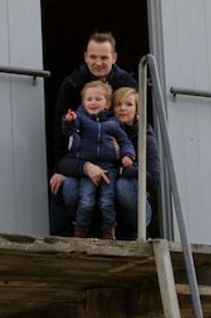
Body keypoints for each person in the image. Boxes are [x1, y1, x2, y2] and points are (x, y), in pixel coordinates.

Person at [52, 86, 160, 240]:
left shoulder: (145, 137)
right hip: (97, 193)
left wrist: (121, 169)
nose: (123, 108)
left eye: (129, 104)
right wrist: (85, 167)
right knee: (70, 185)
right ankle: (88, 229)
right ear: (110, 108)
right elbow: (66, 161)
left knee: (123, 186)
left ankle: (133, 232)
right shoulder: (95, 129)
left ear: (137, 110)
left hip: (126, 199)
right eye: (118, 104)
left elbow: (153, 178)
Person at [59, 81, 135, 239]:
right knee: (86, 201)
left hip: (109, 169)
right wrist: (69, 120)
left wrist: (128, 156)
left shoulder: (113, 123)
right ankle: (80, 230)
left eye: (98, 99)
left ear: (107, 104)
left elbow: (125, 141)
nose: (93, 102)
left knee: (107, 201)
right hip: (88, 170)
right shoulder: (80, 119)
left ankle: (109, 231)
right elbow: (69, 130)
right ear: (83, 102)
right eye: (89, 99)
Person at [51, 32, 137, 162]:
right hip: (80, 159)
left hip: (119, 160)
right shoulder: (71, 84)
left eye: (104, 58)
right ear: (85, 57)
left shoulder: (128, 84)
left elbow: (138, 125)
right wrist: (62, 168)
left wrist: (128, 158)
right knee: (69, 184)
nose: (98, 63)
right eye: (93, 57)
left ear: (114, 58)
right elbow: (60, 129)